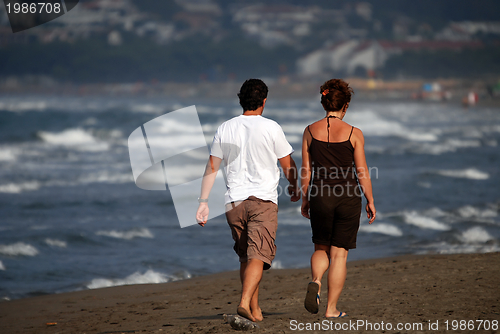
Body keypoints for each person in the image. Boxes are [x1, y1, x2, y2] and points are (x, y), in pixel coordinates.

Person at [196, 78, 300, 322]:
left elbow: (212, 166)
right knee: (258, 255)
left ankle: (255, 310)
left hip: (233, 203)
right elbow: (288, 165)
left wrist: (203, 201)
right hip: (262, 200)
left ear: (241, 100)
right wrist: (295, 187)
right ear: (264, 102)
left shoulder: (225, 128)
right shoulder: (271, 127)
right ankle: (243, 303)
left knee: (247, 256)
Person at [300, 79, 376, 318]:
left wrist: (305, 198)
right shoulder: (355, 133)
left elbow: (306, 171)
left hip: (320, 195)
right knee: (339, 253)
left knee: (320, 247)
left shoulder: (310, 131)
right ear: (346, 105)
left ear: (324, 102)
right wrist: (370, 200)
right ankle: (331, 309)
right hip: (348, 196)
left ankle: (316, 281)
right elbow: (362, 172)